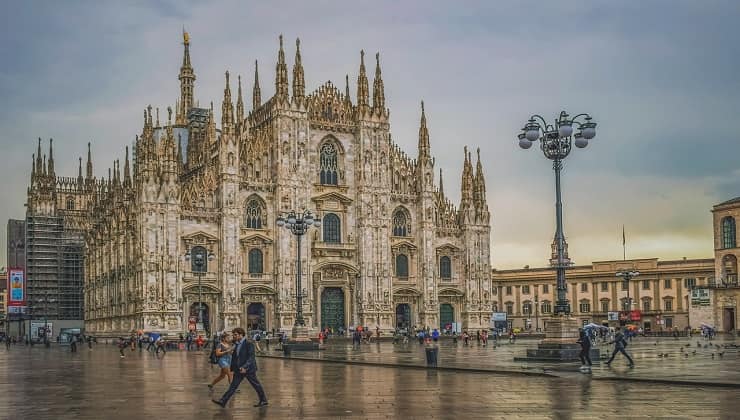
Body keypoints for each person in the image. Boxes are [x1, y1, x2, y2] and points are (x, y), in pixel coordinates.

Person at [212, 327, 267, 408]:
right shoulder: (236, 344)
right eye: (233, 335)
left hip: (248, 369)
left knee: (256, 384)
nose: (233, 336)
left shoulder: (249, 343)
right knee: (233, 386)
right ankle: (223, 401)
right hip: (238, 369)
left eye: (235, 335)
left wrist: (245, 367)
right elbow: (236, 357)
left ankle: (263, 400)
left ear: (241, 335)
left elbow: (251, 358)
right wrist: (234, 367)